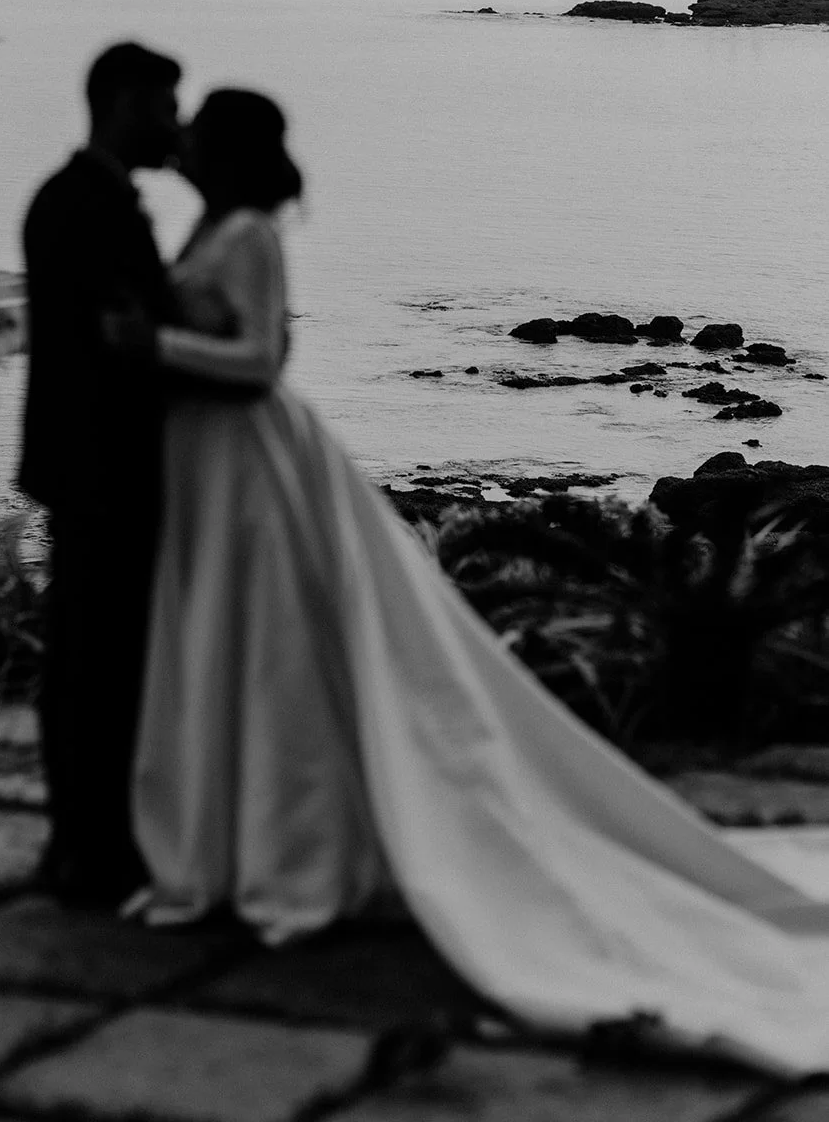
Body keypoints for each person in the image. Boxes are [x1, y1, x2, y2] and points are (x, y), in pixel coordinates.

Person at [127, 87, 829, 1076]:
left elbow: (260, 356)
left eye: (199, 127)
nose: (183, 136)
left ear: (227, 149)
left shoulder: (246, 229)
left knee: (278, 642)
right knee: (247, 638)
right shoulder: (212, 220)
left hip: (253, 457)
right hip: (214, 457)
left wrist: (147, 344)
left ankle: (292, 844)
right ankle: (255, 836)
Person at [19, 40, 184, 906]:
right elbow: (122, 343)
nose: (176, 125)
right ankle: (89, 845)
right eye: (165, 108)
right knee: (95, 661)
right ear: (123, 104)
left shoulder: (87, 198)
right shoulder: (85, 206)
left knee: (96, 654)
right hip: (99, 463)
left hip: (86, 459)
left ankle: (84, 839)